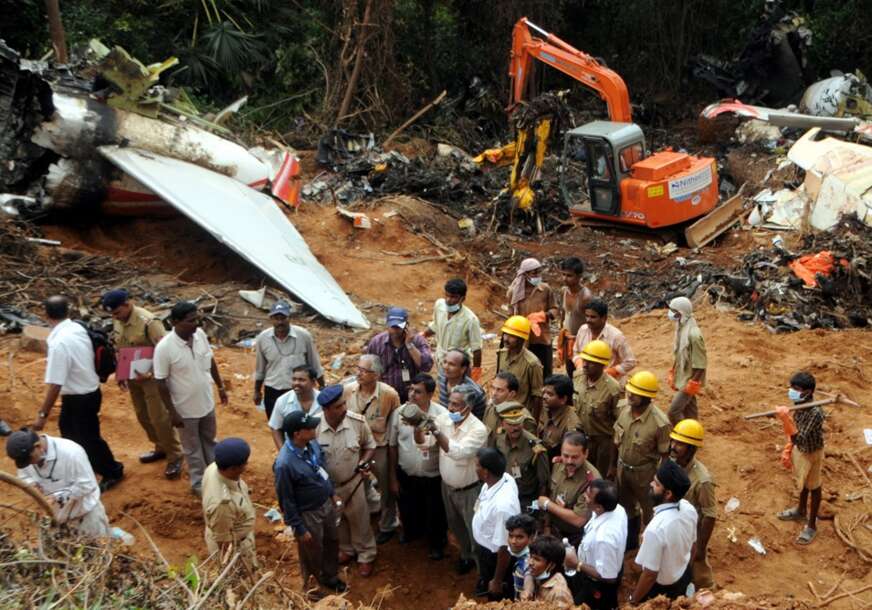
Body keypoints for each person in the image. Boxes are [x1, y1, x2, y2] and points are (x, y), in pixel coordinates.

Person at [33, 295, 124, 492]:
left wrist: (42, 414)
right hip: (88, 390)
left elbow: (55, 384)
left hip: (80, 396)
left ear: (46, 314)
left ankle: (112, 470)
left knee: (88, 438)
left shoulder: (59, 343)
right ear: (68, 311)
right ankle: (85, 466)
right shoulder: (76, 327)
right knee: (69, 432)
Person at [102, 289, 182, 479]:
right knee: (142, 415)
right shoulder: (118, 320)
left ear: (127, 304)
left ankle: (175, 454)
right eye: (112, 314)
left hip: (152, 378)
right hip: (132, 375)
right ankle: (160, 446)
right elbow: (120, 347)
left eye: (117, 312)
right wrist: (121, 373)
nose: (115, 317)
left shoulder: (149, 322)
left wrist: (151, 372)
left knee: (159, 417)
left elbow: (165, 351)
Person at [154, 301, 228, 496]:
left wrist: (220, 386)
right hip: (184, 411)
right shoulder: (164, 348)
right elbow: (160, 382)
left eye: (197, 319)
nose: (196, 324)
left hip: (206, 403)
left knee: (210, 443)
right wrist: (172, 412)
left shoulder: (200, 335)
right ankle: (199, 485)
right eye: (190, 321)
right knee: (193, 450)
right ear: (174, 322)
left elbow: (210, 360)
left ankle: (216, 479)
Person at [274, 410, 346, 596]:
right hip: (308, 513)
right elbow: (286, 500)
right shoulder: (284, 464)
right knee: (311, 552)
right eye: (309, 427)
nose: (314, 428)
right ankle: (313, 588)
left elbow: (321, 469)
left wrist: (331, 494)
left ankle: (330, 576)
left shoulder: (311, 444)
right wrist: (298, 528)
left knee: (332, 541)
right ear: (297, 434)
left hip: (325, 504)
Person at [316, 384, 377, 576]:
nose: (343, 409)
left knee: (360, 519)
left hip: (353, 482)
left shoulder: (357, 422)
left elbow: (370, 446)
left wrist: (364, 462)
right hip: (328, 487)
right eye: (338, 407)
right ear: (326, 410)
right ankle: (347, 550)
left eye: (343, 404)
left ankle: (365, 554)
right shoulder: (314, 426)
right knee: (337, 520)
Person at [426, 383, 488, 575]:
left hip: (469, 491)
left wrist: (436, 432)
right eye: (450, 403)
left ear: (468, 408)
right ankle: (466, 556)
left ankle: (482, 572)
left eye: (455, 405)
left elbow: (458, 452)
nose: (450, 408)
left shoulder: (478, 430)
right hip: (448, 488)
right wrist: (419, 428)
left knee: (475, 532)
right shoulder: (444, 419)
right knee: (456, 526)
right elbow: (425, 444)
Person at [6, 428, 111, 536]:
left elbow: (87, 485)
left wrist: (56, 497)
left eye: (29, 459)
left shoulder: (71, 452)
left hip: (86, 517)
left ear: (38, 446)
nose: (29, 463)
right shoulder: (27, 456)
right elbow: (24, 476)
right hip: (56, 519)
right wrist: (33, 486)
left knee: (97, 549)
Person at [388, 373, 449, 559]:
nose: (412, 395)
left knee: (436, 513)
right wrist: (392, 478)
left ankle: (437, 545)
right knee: (409, 509)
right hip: (407, 474)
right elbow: (392, 446)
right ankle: (412, 535)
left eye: (418, 392)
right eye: (411, 390)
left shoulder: (441, 416)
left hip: (433, 476)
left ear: (430, 395)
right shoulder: (399, 414)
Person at [343, 354, 401, 544]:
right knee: (358, 484)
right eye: (358, 369)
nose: (359, 374)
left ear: (376, 374)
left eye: (364, 371)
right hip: (354, 447)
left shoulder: (389, 395)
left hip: (379, 449)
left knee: (386, 487)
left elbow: (395, 425)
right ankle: (366, 515)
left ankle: (387, 524)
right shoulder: (348, 391)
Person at [614, 371, 671, 550]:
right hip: (622, 468)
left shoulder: (660, 423)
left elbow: (665, 456)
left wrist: (659, 482)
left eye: (635, 394)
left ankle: (648, 547)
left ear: (647, 397)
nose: (629, 395)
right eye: (629, 391)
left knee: (650, 511)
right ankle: (630, 543)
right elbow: (616, 439)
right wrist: (611, 467)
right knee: (625, 507)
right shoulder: (623, 409)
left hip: (645, 474)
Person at [629, 460, 698, 604]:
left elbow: (649, 575)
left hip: (662, 590)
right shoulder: (688, 508)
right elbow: (693, 546)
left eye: (656, 483)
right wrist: (685, 570)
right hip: (684, 576)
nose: (651, 485)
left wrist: (633, 600)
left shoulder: (656, 529)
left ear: (668, 494)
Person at [775, 372, 824, 545]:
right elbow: (795, 437)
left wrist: (785, 420)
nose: (792, 392)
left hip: (812, 453)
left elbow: (800, 437)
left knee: (814, 486)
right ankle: (801, 510)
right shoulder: (799, 404)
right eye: (792, 388)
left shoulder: (816, 413)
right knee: (802, 482)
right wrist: (789, 449)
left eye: (796, 389)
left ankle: (811, 526)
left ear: (808, 392)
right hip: (800, 450)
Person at [253, 302, 324, 420]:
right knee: (276, 425)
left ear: (289, 318)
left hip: (298, 390)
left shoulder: (303, 336)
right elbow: (260, 368)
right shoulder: (263, 338)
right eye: (276, 318)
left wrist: (322, 386)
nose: (280, 322)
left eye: (283, 318)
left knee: (299, 426)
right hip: (273, 390)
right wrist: (257, 391)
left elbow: (314, 363)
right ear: (271, 319)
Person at [670, 419, 717, 588]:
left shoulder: (702, 480)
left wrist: (701, 548)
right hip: (674, 527)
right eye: (673, 441)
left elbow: (709, 516)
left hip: (691, 534)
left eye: (680, 444)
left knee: (698, 573)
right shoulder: (671, 464)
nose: (673, 446)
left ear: (691, 448)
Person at [569, 479, 627, 610]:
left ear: (599, 507)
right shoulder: (617, 509)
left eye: (588, 496)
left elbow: (609, 577)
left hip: (598, 586)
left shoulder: (604, 539)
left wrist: (577, 564)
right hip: (602, 562)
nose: (584, 496)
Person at [472, 447, 521, 599]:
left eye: (477, 465)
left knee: (497, 597)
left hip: (494, 557)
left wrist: (497, 580)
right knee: (486, 579)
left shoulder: (503, 507)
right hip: (485, 549)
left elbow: (505, 548)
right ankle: (486, 579)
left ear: (486, 472)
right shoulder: (503, 477)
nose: (475, 468)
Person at [538, 432, 600, 547]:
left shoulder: (591, 481)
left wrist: (547, 504)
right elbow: (549, 492)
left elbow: (579, 519)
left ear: (586, 453)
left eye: (575, 457)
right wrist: (547, 526)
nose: (569, 461)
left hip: (574, 537)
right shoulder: (558, 464)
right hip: (552, 529)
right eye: (566, 456)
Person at [202, 438, 256, 567]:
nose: (246, 465)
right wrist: (232, 565)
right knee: (242, 584)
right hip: (235, 548)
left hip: (237, 534)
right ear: (232, 468)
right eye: (244, 463)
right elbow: (224, 543)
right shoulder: (222, 504)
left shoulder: (215, 467)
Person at [574, 340, 622, 476]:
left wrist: (613, 463)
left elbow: (619, 427)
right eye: (585, 360)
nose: (586, 365)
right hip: (581, 438)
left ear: (602, 365)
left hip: (603, 444)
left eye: (592, 362)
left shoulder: (613, 389)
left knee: (599, 478)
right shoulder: (577, 378)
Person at [490, 401, 550, 510]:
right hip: (503, 495)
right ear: (502, 424)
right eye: (510, 424)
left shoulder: (535, 448)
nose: (515, 428)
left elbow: (543, 484)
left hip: (525, 500)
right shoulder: (499, 438)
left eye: (518, 423)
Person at [365, 306, 432, 402]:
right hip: (386, 394)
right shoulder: (377, 343)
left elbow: (426, 366)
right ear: (387, 324)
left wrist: (409, 345)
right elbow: (369, 369)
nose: (395, 330)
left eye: (399, 326)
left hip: (412, 395)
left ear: (406, 325)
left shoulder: (417, 341)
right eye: (393, 326)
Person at [507, 258, 559, 378]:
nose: (537, 276)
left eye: (539, 272)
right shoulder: (514, 292)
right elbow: (510, 316)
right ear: (525, 274)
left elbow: (555, 309)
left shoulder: (545, 290)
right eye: (534, 273)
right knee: (523, 374)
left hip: (541, 338)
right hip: (521, 339)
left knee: (545, 374)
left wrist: (544, 315)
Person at [424, 279, 483, 379]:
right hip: (441, 360)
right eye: (447, 295)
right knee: (443, 390)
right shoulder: (439, 306)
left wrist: (476, 372)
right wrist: (423, 335)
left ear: (462, 299)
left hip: (458, 366)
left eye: (453, 297)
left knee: (458, 393)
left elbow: (476, 349)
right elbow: (436, 325)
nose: (448, 300)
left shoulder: (470, 320)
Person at [572, 299, 636, 387]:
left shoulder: (616, 336)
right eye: (587, 316)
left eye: (593, 317)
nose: (588, 320)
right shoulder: (583, 330)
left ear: (604, 318)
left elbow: (630, 362)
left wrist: (610, 372)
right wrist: (579, 364)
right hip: (586, 382)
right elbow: (576, 351)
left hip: (609, 386)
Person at [666, 297, 707, 425]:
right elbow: (679, 353)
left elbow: (701, 364)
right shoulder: (681, 327)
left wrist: (692, 384)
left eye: (673, 311)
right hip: (683, 376)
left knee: (673, 412)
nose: (670, 313)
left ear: (681, 312)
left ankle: (684, 436)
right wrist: (674, 370)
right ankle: (694, 434)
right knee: (690, 411)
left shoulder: (694, 334)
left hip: (689, 379)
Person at [496, 316, 544, 421]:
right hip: (500, 411)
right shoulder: (501, 355)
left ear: (521, 340)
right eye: (505, 334)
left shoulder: (532, 364)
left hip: (518, 417)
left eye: (511, 336)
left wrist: (533, 422)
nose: (506, 339)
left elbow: (537, 396)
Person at [268, 365, 321, 450]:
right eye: (294, 379)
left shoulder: (323, 400)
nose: (296, 383)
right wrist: (282, 451)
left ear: (313, 382)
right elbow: (275, 427)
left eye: (302, 380)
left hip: (320, 451)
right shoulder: (282, 401)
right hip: (294, 452)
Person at [557, 257, 593, 378]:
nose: (565, 279)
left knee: (581, 372)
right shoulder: (564, 291)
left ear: (579, 277)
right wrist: (561, 330)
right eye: (563, 274)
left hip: (582, 341)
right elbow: (563, 313)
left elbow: (591, 321)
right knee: (569, 370)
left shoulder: (585, 297)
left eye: (569, 276)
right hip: (568, 339)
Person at [482, 372, 536, 442]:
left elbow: (528, 447)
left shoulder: (523, 418)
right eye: (493, 388)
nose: (494, 393)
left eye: (500, 390)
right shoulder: (490, 408)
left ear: (512, 394)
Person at [537, 375, 581, 461]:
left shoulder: (572, 425)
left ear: (563, 399)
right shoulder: (547, 408)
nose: (544, 397)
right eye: (544, 392)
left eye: (550, 394)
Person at [522, 535, 574, 605]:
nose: (530, 562)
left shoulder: (559, 592)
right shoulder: (539, 576)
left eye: (537, 559)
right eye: (530, 557)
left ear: (551, 565)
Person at [437, 349, 486, 420]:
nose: (446, 367)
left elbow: (478, 419)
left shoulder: (474, 392)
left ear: (463, 369)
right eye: (445, 362)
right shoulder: (442, 376)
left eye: (452, 364)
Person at [505, 513, 536, 600]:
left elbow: (528, 573)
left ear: (531, 538)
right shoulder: (517, 554)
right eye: (511, 536)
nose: (513, 541)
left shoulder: (529, 560)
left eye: (519, 537)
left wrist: (527, 591)